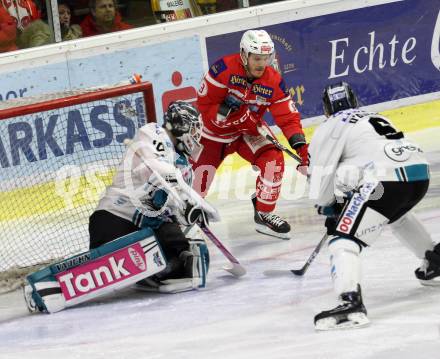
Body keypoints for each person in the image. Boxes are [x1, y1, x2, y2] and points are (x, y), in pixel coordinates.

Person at [24, 101, 216, 313]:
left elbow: (173, 210)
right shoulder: (153, 133)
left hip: (148, 230)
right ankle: (49, 285)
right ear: (181, 125)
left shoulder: (185, 169)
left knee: (186, 254)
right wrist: (189, 199)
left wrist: (190, 212)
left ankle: (152, 274)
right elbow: (156, 170)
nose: (197, 136)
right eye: (194, 129)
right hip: (114, 220)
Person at [308, 82, 438, 330]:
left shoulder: (329, 125)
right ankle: (435, 261)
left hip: (383, 180)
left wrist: (328, 206)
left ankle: (350, 302)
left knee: (343, 239)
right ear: (354, 101)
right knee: (396, 215)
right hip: (419, 174)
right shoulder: (373, 115)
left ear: (326, 109)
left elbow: (320, 178)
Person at [193, 29, 308, 239]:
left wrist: (300, 145)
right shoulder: (223, 70)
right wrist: (225, 112)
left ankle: (264, 212)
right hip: (212, 136)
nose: (261, 64)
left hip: (247, 132)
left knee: (273, 159)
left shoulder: (273, 80)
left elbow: (287, 117)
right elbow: (204, 107)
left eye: (266, 58)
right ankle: (183, 219)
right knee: (195, 189)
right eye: (257, 58)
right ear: (244, 55)